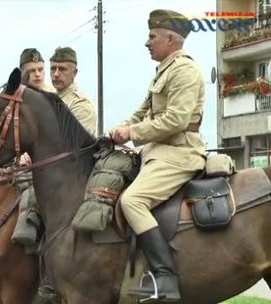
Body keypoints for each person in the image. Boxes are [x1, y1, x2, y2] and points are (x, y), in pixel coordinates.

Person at [109, 9, 205, 302]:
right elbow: (143, 110)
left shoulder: (185, 71)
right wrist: (119, 129)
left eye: (152, 36)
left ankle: (165, 278)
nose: (147, 42)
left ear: (171, 39)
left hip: (179, 152)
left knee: (132, 200)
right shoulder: (164, 70)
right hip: (158, 151)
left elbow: (175, 121)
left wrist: (133, 133)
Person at [50, 47, 97, 135]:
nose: (56, 74)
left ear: (74, 73)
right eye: (53, 68)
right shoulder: (48, 98)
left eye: (62, 69)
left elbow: (77, 144)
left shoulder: (80, 104)